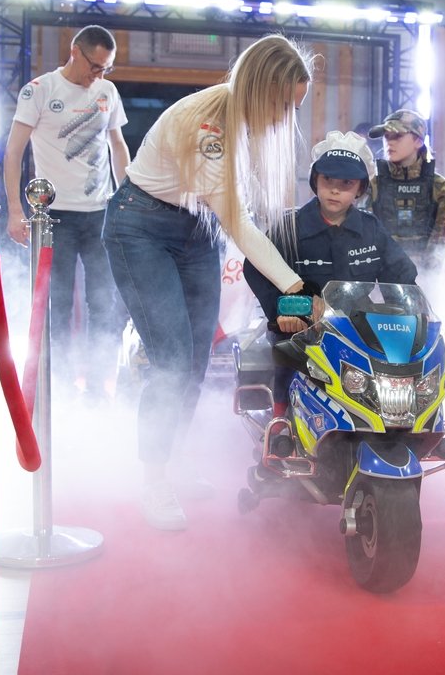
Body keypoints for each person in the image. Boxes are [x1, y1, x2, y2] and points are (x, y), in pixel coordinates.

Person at [102, 33, 314, 531]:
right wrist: (295, 286)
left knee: (197, 358)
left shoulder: (240, 120)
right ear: (262, 90)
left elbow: (240, 214)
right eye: (285, 105)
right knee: (172, 360)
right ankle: (154, 479)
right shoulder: (208, 127)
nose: (287, 118)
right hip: (140, 227)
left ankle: (174, 457)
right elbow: (240, 223)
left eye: (296, 107)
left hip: (194, 230)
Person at [244, 130, 418, 417]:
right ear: (315, 181)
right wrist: (280, 312)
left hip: (358, 329)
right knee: (288, 361)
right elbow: (255, 266)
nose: (335, 190)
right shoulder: (289, 227)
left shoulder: (371, 229)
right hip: (301, 327)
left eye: (346, 183)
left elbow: (401, 276)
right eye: (328, 180)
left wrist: (410, 315)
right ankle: (279, 424)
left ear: (360, 189)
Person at [2, 25, 133, 403]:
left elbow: (118, 146)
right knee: (55, 305)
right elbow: (14, 152)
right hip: (54, 217)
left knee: (103, 304)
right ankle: (56, 387)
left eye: (106, 68)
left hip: (99, 214)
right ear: (75, 51)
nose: (99, 75)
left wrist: (127, 197)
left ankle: (97, 388)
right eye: (95, 66)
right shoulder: (40, 90)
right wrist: (15, 210)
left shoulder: (107, 92)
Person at [367, 109, 445, 275]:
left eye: (397, 136)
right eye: (386, 137)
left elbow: (440, 239)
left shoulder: (438, 185)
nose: (389, 143)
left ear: (418, 141)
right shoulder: (373, 184)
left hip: (424, 276)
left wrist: (426, 276)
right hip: (382, 276)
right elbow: (368, 236)